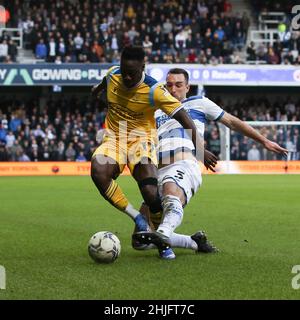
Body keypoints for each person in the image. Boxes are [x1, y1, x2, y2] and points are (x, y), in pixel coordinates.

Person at [133, 68, 288, 259]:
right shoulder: (156, 111)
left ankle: (164, 232)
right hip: (156, 171)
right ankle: (193, 242)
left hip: (183, 164)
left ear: (187, 87)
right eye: (169, 85)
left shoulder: (199, 103)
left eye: (178, 85)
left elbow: (232, 121)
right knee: (140, 240)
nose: (173, 89)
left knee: (171, 198)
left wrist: (264, 140)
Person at [90, 47, 217, 257]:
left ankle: (165, 241)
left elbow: (184, 117)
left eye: (132, 72)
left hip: (142, 140)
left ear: (143, 67)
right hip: (115, 136)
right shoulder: (113, 74)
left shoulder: (154, 90)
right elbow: (100, 88)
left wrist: (201, 149)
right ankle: (138, 218)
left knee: (151, 194)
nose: (127, 77)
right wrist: (100, 96)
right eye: (124, 71)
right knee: (98, 172)